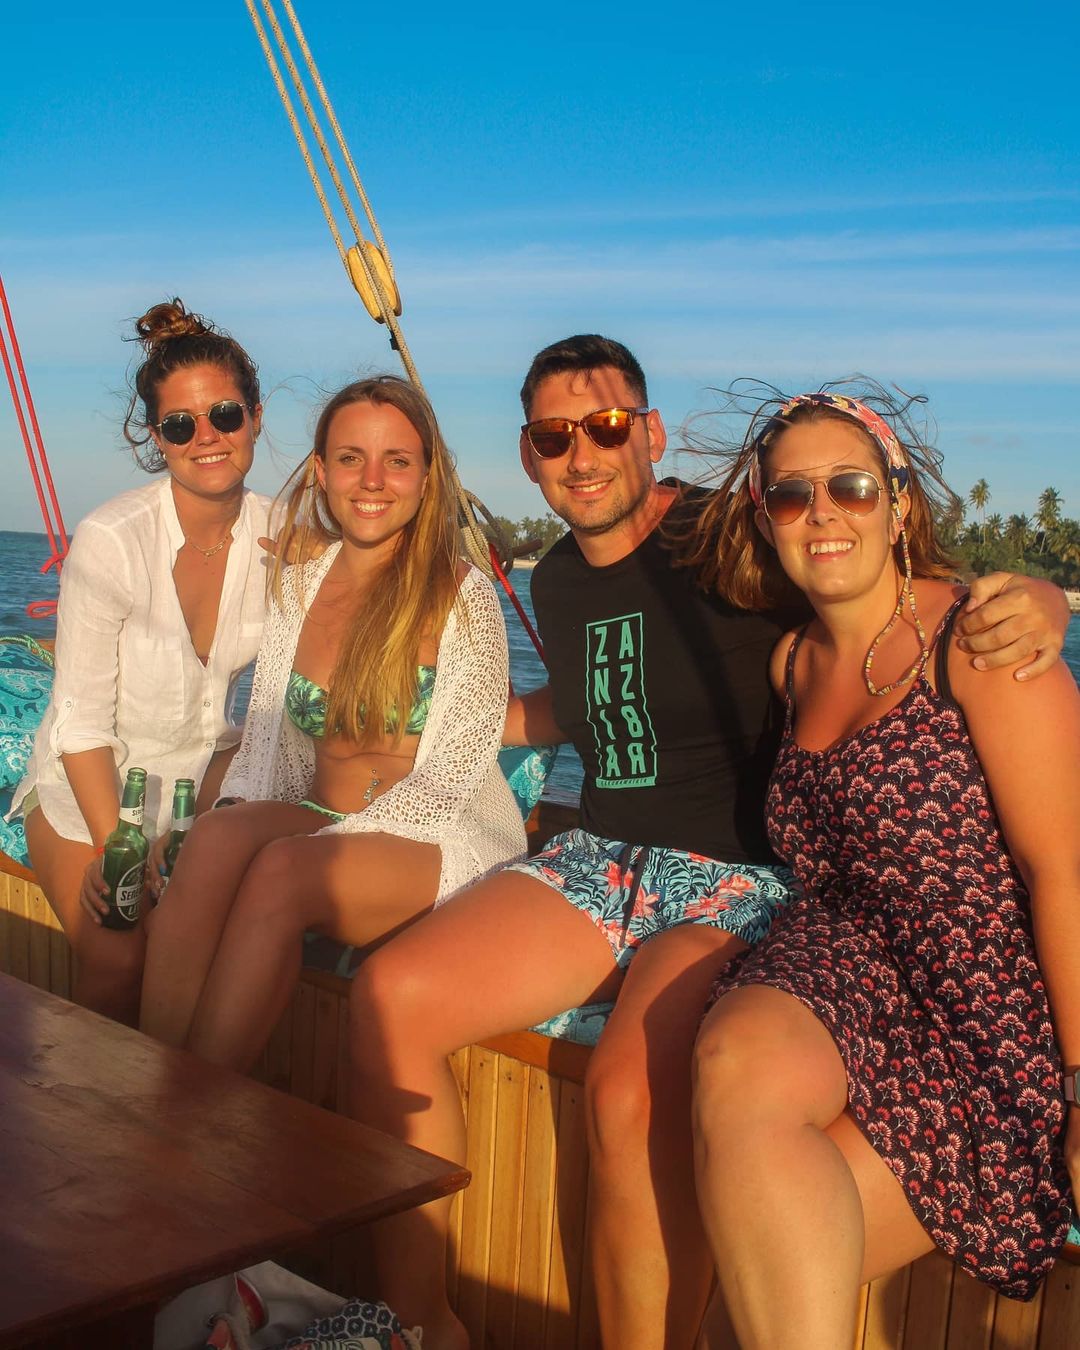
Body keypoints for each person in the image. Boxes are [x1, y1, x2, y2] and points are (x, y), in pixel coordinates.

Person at [342, 336, 1071, 1350]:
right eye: (554, 437)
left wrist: (1034, 600)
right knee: (390, 996)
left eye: (602, 428)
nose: (581, 455)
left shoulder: (729, 535)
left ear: (649, 434)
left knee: (632, 1090)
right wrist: (453, 724)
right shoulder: (564, 583)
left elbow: (888, 592)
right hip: (612, 859)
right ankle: (417, 1322)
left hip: (744, 882)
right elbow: (602, 697)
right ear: (526, 454)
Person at [690, 388, 1080, 1349]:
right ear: (761, 514)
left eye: (851, 487)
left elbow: (1065, 868)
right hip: (844, 971)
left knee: (751, 1312)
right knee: (729, 1059)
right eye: (791, 496)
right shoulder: (790, 662)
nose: (822, 513)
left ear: (899, 503)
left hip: (987, 1013)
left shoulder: (981, 644)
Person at [138, 376, 525, 1069]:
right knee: (218, 839)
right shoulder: (300, 582)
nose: (372, 480)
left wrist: (318, 838)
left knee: (283, 871)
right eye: (350, 458)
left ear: (426, 475)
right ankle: (155, 1079)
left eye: (397, 461)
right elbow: (268, 747)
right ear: (321, 471)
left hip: (440, 838)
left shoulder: (464, 598)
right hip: (320, 814)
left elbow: (453, 776)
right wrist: (227, 816)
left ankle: (191, 1118)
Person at [11, 299, 272, 1024]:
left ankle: (173, 1119)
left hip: (198, 805)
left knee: (196, 950)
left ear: (255, 414)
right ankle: (93, 1128)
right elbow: (81, 724)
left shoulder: (283, 540)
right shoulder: (112, 541)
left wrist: (199, 832)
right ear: (156, 437)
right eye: (180, 425)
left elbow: (271, 711)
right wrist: (116, 849)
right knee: (120, 951)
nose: (207, 438)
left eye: (225, 415)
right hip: (84, 799)